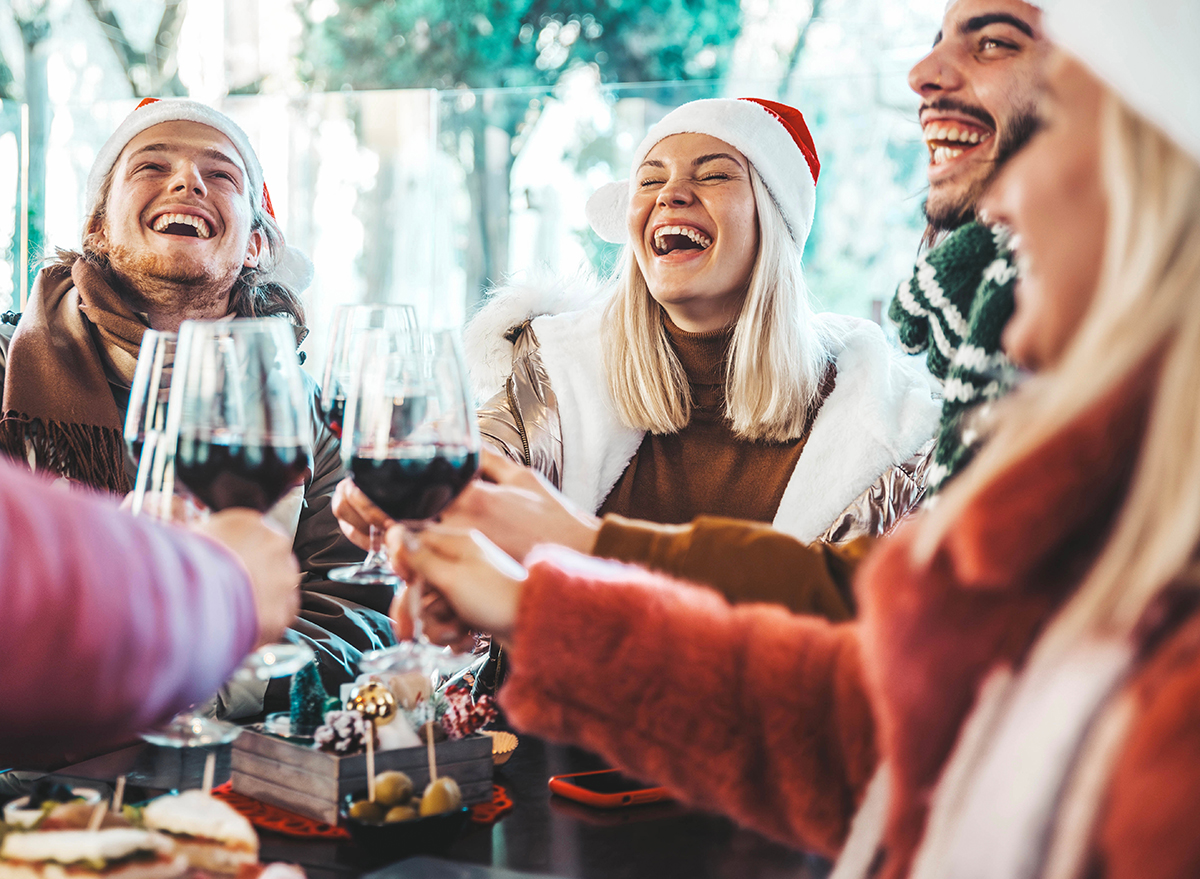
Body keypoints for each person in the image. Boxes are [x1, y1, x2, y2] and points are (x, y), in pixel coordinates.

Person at [387, 0, 1200, 874]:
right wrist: (527, 597)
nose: (923, 79)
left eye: (1059, 128)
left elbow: (859, 689)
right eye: (651, 177)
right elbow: (857, 725)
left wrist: (576, 557)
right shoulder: (1063, 500)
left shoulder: (925, 437)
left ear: (1157, 182)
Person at [0, 98, 393, 716]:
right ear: (97, 229)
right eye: (151, 167)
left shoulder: (311, 415)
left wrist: (204, 671)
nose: (187, 181)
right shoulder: (6, 377)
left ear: (257, 242)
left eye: (222, 174)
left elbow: (357, 614)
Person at [466, 97, 939, 545]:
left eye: (712, 175)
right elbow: (448, 529)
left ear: (773, 221)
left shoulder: (889, 435)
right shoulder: (547, 387)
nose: (670, 194)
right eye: (649, 181)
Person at [0, 457, 299, 765]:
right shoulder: (25, 427)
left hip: (234, 752)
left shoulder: (309, 437)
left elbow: (339, 610)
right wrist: (222, 589)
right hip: (51, 769)